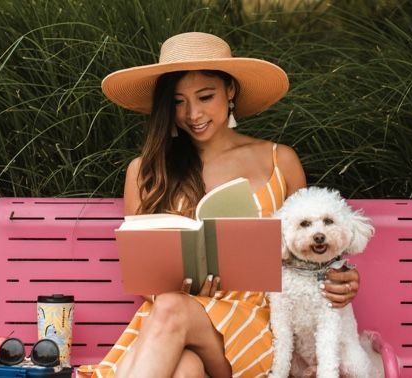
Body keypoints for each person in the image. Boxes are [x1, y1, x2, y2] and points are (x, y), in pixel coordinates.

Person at [77, 32, 360, 378]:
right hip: (173, 323)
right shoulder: (146, 170)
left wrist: (341, 278)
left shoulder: (279, 160)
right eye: (178, 102)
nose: (192, 114)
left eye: (205, 96)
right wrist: (177, 286)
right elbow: (141, 277)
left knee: (170, 310)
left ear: (230, 91)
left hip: (262, 325)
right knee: (185, 369)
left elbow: (313, 246)